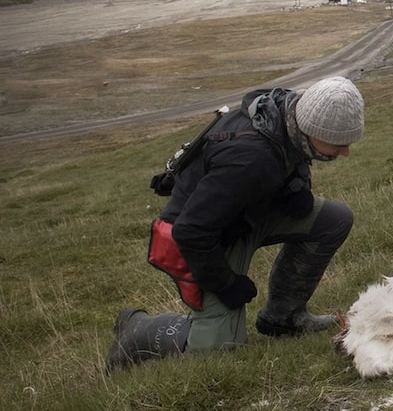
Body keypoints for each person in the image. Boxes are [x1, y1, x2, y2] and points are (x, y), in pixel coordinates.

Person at [106, 76, 364, 372]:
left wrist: (296, 185)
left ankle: (283, 318)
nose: (345, 152)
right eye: (338, 143)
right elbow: (190, 231)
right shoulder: (249, 159)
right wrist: (225, 284)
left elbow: (292, 152)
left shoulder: (291, 110)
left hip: (245, 214)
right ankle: (138, 329)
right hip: (207, 237)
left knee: (334, 220)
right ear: (309, 130)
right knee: (218, 349)